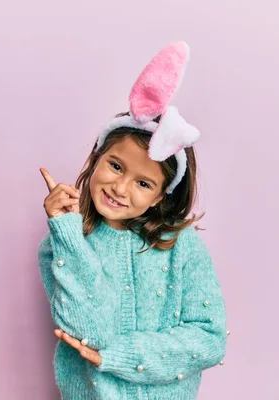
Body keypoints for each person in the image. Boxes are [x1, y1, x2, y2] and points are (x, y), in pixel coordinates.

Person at [37, 41, 228, 400]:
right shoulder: (60, 245)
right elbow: (91, 330)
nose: (120, 188)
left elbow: (210, 338)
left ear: (160, 195)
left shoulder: (181, 245)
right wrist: (67, 234)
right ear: (97, 157)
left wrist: (123, 356)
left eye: (143, 183)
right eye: (115, 166)